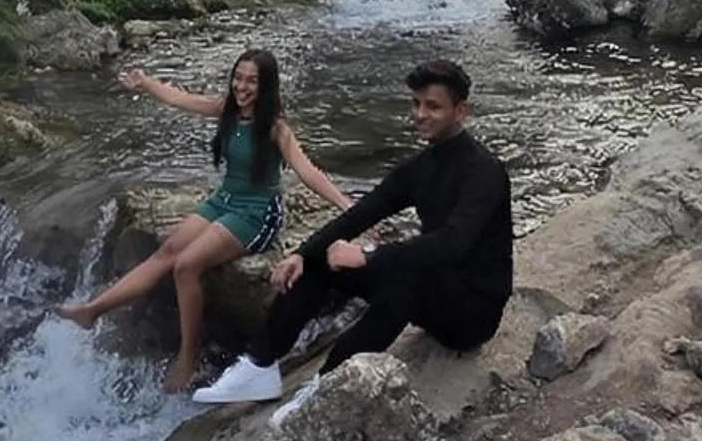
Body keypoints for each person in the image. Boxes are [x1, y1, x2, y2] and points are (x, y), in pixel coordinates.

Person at [192, 58, 512, 405]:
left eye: (432, 106)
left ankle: (325, 388)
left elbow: (453, 242)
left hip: (472, 312)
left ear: (460, 111)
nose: (420, 114)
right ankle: (260, 366)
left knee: (405, 276)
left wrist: (368, 255)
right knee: (320, 260)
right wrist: (302, 253)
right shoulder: (422, 166)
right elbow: (362, 213)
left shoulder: (484, 171)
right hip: (435, 293)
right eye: (416, 103)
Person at [54, 49, 352, 393]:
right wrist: (146, 83)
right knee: (168, 251)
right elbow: (182, 99)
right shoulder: (227, 109)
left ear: (266, 86)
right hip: (223, 199)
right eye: (238, 78)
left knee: (186, 266)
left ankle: (188, 355)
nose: (242, 87)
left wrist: (349, 207)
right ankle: (92, 311)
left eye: (251, 81)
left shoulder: (275, 128)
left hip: (257, 213)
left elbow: (308, 172)